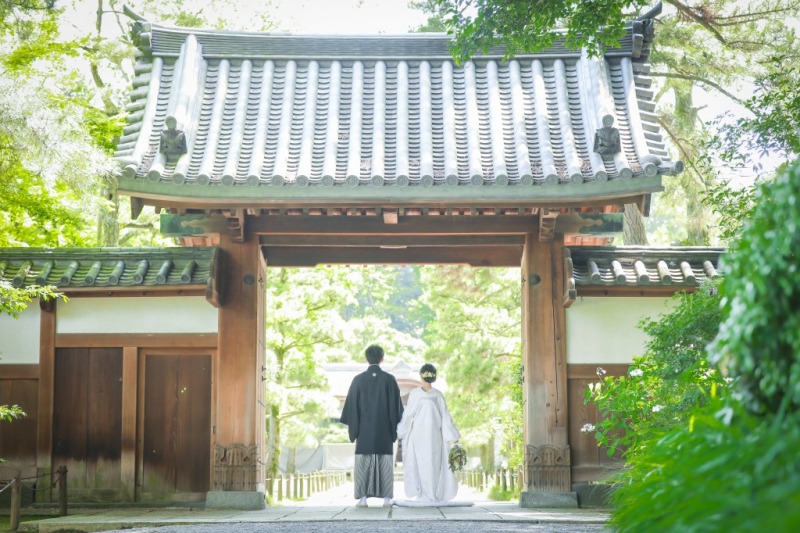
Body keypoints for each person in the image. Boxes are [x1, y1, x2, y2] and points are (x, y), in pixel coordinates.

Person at [340, 345, 404, 508]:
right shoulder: (390, 379)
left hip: (364, 431)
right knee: (385, 463)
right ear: (382, 359)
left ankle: (362, 499)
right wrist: (393, 427)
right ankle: (387, 499)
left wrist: (354, 428)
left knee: (363, 464)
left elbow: (351, 407)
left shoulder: (358, 380)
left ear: (366, 358)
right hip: (384, 431)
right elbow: (397, 409)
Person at [396, 363, 461, 503]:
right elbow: (446, 418)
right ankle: (426, 493)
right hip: (429, 435)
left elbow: (408, 415)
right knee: (427, 463)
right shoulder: (436, 395)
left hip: (425, 435)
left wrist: (400, 431)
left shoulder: (423, 394)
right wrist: (453, 436)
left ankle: (431, 493)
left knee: (430, 463)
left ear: (421, 376)